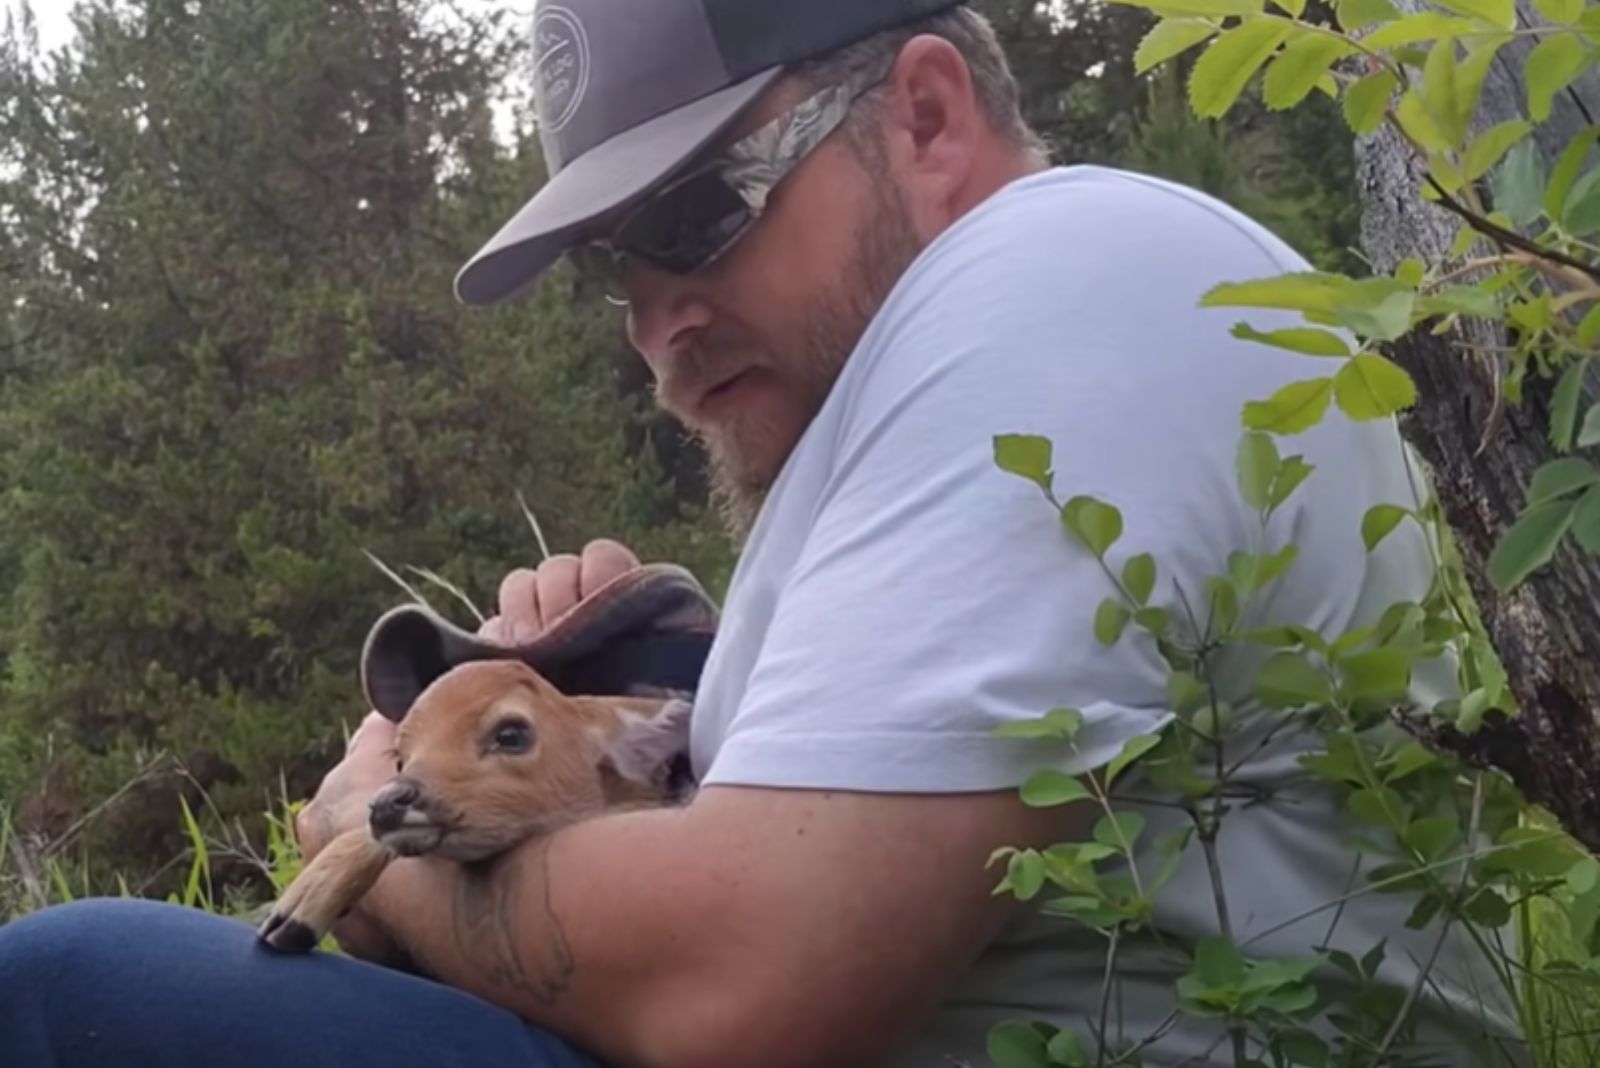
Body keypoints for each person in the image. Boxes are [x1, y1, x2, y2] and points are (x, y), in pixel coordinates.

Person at [0, 2, 1524, 1066]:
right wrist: (621, 703)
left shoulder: (1056, 269)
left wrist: (377, 831)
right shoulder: (978, 358)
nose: (656, 324)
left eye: (694, 214)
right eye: (614, 265)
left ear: (926, 115)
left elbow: (757, 979)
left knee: (70, 998)